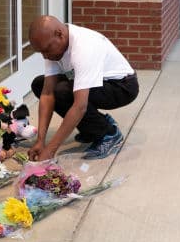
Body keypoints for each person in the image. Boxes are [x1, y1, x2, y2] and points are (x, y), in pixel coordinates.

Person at [27, 15, 139, 160]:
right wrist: (40, 141)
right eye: (41, 52)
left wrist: (50, 150)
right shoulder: (52, 46)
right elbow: (47, 93)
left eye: (47, 50)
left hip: (122, 86)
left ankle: (109, 133)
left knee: (64, 91)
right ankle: (92, 128)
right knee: (39, 84)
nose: (45, 57)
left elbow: (80, 106)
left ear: (60, 34)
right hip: (99, 83)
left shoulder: (84, 47)